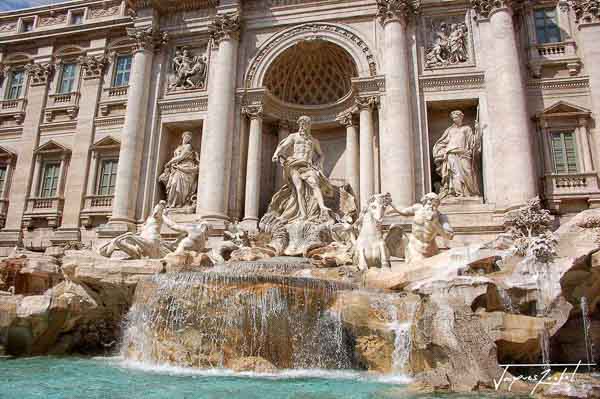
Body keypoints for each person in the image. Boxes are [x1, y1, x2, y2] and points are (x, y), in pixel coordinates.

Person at [269, 115, 334, 222]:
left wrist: (319, 163)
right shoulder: (293, 136)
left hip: (307, 165)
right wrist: (276, 154)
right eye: (302, 123)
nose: (303, 126)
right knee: (299, 189)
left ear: (309, 126)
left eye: (306, 124)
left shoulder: (313, 141)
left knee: (314, 183)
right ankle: (303, 214)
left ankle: (322, 206)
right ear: (299, 124)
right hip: (294, 164)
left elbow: (321, 155)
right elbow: (283, 146)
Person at [390, 193, 454, 263]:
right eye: (428, 203)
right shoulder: (417, 208)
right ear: (424, 202)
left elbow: (449, 236)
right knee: (417, 264)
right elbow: (403, 212)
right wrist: (391, 204)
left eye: (434, 205)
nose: (430, 206)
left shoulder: (441, 217)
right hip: (414, 246)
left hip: (430, 248)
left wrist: (436, 223)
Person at [432, 110, 481, 199]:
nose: (454, 119)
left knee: (468, 171)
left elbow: (472, 143)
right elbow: (442, 142)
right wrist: (440, 151)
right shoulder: (450, 130)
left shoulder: (467, 128)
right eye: (453, 118)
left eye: (456, 117)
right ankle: (458, 193)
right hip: (451, 153)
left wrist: (477, 130)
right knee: (454, 173)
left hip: (463, 153)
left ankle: (471, 193)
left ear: (461, 117)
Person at [159, 131, 200, 208]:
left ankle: (180, 203)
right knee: (173, 183)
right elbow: (177, 157)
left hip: (186, 166)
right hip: (177, 167)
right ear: (183, 137)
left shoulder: (188, 147)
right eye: (186, 137)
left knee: (177, 184)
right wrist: (172, 165)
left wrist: (170, 162)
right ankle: (171, 203)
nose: (188, 139)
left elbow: (181, 157)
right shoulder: (178, 147)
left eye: (189, 138)